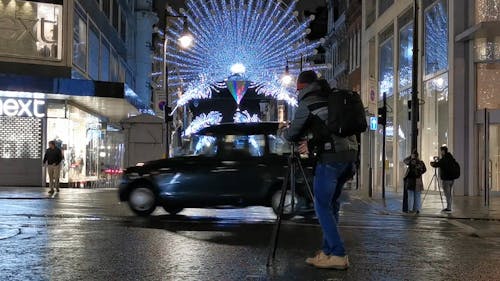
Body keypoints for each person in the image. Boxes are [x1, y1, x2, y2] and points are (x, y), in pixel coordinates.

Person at [284, 70, 358, 270]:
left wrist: (283, 130)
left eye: (297, 88)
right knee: (331, 204)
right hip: (349, 157)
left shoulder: (307, 104)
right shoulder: (331, 98)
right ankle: (327, 252)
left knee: (321, 206)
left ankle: (338, 254)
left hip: (330, 159)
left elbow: (291, 135)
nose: (296, 91)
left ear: (301, 87)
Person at [431, 146, 456, 212]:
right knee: (449, 193)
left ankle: (449, 208)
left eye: (441, 151)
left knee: (447, 194)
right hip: (452, 179)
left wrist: (432, 163)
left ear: (443, 151)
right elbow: (442, 164)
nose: (440, 152)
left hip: (446, 179)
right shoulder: (450, 158)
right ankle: (449, 206)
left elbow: (438, 164)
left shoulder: (444, 158)